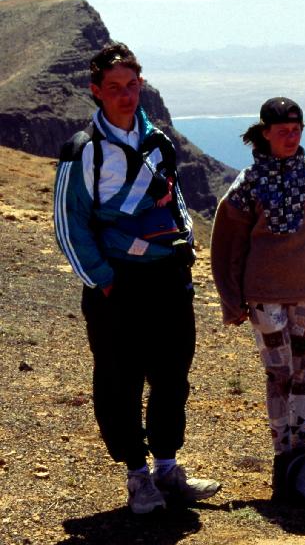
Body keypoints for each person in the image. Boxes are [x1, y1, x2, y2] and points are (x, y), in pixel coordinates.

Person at [53, 43, 221, 514]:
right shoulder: (83, 150)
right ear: (96, 91)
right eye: (114, 88)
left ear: (141, 85)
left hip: (169, 280)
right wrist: (103, 280)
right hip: (118, 286)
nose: (126, 96)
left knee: (172, 376)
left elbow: (173, 197)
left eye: (132, 86)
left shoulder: (158, 141)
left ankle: (168, 467)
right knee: (119, 380)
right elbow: (70, 223)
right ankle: (136, 475)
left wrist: (185, 246)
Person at [210, 97, 305, 502]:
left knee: (303, 373)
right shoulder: (248, 183)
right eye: (282, 131)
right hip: (263, 299)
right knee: (279, 374)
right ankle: (281, 457)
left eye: (297, 130)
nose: (290, 137)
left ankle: (300, 451)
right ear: (266, 133)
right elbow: (227, 245)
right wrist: (231, 298)